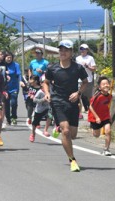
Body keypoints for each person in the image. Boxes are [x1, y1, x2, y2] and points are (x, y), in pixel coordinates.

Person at [43, 40, 88, 172]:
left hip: (73, 102)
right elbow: (45, 82)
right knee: (66, 131)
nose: (63, 52)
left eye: (66, 50)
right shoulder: (52, 68)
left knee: (73, 135)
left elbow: (85, 82)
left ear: (71, 52)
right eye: (61, 50)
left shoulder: (78, 68)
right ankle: (72, 160)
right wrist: (47, 93)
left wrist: (78, 93)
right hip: (57, 101)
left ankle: (58, 127)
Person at [88, 76, 112, 156]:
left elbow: (106, 106)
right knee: (96, 135)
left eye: (107, 84)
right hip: (95, 118)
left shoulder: (109, 96)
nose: (106, 85)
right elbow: (90, 106)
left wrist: (109, 116)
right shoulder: (97, 96)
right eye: (103, 84)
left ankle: (106, 149)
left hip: (105, 117)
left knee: (108, 131)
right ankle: (93, 129)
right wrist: (97, 117)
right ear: (99, 87)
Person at [4, 51, 24, 125]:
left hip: (14, 87)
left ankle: (14, 117)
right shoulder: (3, 65)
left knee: (13, 102)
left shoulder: (16, 65)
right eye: (7, 57)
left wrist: (20, 81)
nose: (9, 59)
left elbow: (19, 74)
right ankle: (8, 118)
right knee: (6, 104)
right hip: (5, 88)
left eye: (10, 57)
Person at [76, 43, 96, 113]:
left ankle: (91, 111)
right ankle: (80, 111)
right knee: (78, 95)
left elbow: (94, 69)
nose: (82, 50)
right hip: (79, 80)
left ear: (87, 50)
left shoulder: (90, 58)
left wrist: (87, 66)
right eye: (81, 49)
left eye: (83, 49)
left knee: (89, 96)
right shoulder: (77, 58)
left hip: (88, 79)